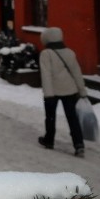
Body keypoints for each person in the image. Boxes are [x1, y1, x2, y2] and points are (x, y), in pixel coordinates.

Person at [38, 27, 87, 157]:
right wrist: (82, 90)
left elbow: (46, 74)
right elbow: (77, 73)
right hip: (70, 90)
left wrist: (48, 94)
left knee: (50, 117)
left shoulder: (46, 54)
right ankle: (79, 144)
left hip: (52, 91)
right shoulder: (69, 52)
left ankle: (49, 140)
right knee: (72, 118)